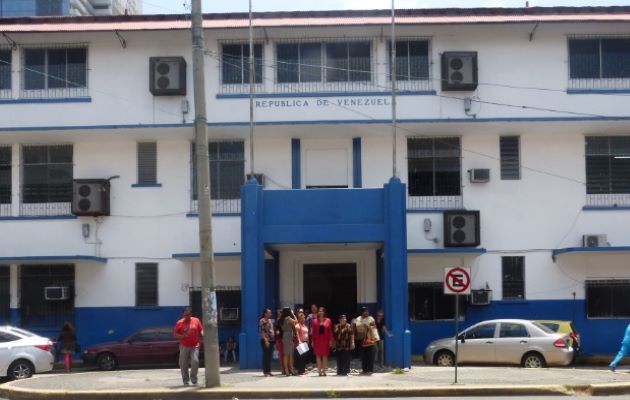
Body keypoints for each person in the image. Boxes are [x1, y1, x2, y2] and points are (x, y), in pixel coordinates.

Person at [173, 307, 203, 385]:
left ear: (191, 314)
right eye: (185, 314)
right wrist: (182, 336)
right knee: (183, 363)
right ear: (183, 314)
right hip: (184, 345)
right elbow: (175, 334)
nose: (186, 316)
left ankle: (194, 379)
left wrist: (203, 333)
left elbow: (201, 329)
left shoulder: (196, 320)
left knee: (195, 361)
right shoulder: (179, 322)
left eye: (188, 314)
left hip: (195, 345)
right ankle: (185, 380)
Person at [354, 307, 378, 375]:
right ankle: (364, 369)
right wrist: (365, 326)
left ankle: (370, 370)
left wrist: (375, 338)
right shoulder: (358, 319)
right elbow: (359, 329)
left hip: (371, 339)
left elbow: (374, 327)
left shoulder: (371, 318)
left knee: (370, 355)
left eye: (367, 311)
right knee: (364, 356)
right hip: (362, 340)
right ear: (362, 312)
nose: (367, 312)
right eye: (365, 311)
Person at [311, 306, 333, 376]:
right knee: (318, 356)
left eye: (322, 311)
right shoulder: (314, 321)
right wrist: (312, 341)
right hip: (317, 340)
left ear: (324, 312)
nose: (320, 312)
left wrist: (330, 341)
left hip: (325, 340)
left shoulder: (328, 320)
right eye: (319, 311)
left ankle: (324, 370)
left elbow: (330, 332)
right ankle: (319, 371)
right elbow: (313, 332)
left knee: (325, 356)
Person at [281, 307, 298, 376]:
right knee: (287, 354)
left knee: (289, 354)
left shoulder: (283, 319)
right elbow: (296, 321)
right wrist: (293, 314)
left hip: (287, 336)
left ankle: (290, 369)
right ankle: (287, 370)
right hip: (287, 336)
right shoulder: (288, 318)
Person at [259, 308, 275, 377]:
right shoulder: (262, 321)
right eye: (269, 312)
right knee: (266, 356)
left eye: (270, 312)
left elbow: (272, 330)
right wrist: (266, 341)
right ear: (265, 313)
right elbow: (262, 331)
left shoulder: (270, 320)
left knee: (269, 356)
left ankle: (269, 371)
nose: (270, 314)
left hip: (271, 340)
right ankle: (265, 372)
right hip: (266, 340)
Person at [293, 310, 309, 375]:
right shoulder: (297, 325)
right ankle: (300, 371)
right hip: (301, 342)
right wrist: (300, 342)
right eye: (301, 318)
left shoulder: (304, 325)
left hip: (305, 342)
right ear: (299, 319)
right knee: (301, 357)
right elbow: (297, 334)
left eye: (304, 318)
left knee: (304, 357)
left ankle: (303, 370)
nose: (303, 319)